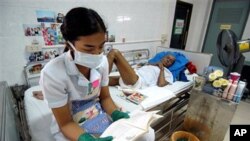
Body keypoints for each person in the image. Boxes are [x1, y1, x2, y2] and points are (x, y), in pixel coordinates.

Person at [40, 7, 131, 141]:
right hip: (71, 127)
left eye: (101, 46)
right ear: (70, 44)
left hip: (96, 114)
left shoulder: (103, 62)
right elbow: (65, 123)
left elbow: (105, 98)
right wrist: (85, 138)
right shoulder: (52, 73)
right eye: (88, 48)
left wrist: (116, 114)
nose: (97, 53)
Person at [107, 49, 176, 89]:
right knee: (102, 80)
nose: (168, 60)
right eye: (167, 58)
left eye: (171, 61)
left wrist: (162, 69)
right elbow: (140, 65)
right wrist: (154, 64)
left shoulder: (167, 73)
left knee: (114, 52)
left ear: (171, 65)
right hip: (132, 75)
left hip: (138, 81)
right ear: (162, 58)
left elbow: (161, 84)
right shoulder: (153, 64)